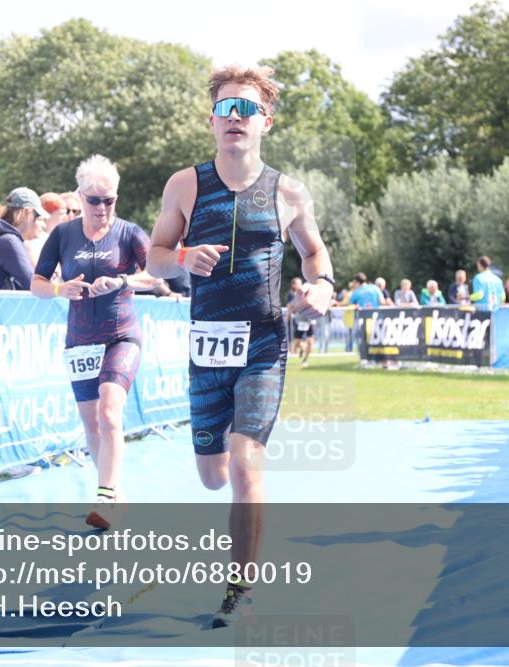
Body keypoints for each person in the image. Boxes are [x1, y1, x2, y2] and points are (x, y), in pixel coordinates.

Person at [146, 65, 334, 628]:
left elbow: (315, 255)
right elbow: (153, 255)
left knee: (246, 460)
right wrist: (181, 259)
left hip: (264, 341)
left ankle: (241, 589)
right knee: (213, 473)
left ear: (265, 123)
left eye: (246, 109)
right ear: (211, 122)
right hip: (208, 344)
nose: (235, 117)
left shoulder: (289, 192)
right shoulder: (185, 185)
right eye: (226, 108)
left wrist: (322, 287)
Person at [32, 155, 158, 529]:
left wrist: (122, 281)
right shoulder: (63, 234)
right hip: (80, 339)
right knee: (91, 425)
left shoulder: (129, 233)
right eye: (94, 200)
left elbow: (158, 274)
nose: (102, 208)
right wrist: (60, 288)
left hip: (121, 335)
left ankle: (103, 499)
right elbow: (36, 285)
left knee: (109, 413)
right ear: (80, 196)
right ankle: (117, 495)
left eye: (110, 200)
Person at [0, 187, 45, 290]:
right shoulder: (9, 241)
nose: (43, 224)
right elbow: (32, 284)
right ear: (26, 212)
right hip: (0, 305)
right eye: (37, 216)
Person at [286, 278, 316, 367]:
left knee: (310, 342)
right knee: (297, 343)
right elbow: (289, 306)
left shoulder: (313, 294)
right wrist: (289, 313)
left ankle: (305, 361)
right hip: (300, 321)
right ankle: (303, 348)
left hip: (310, 320)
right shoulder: (298, 295)